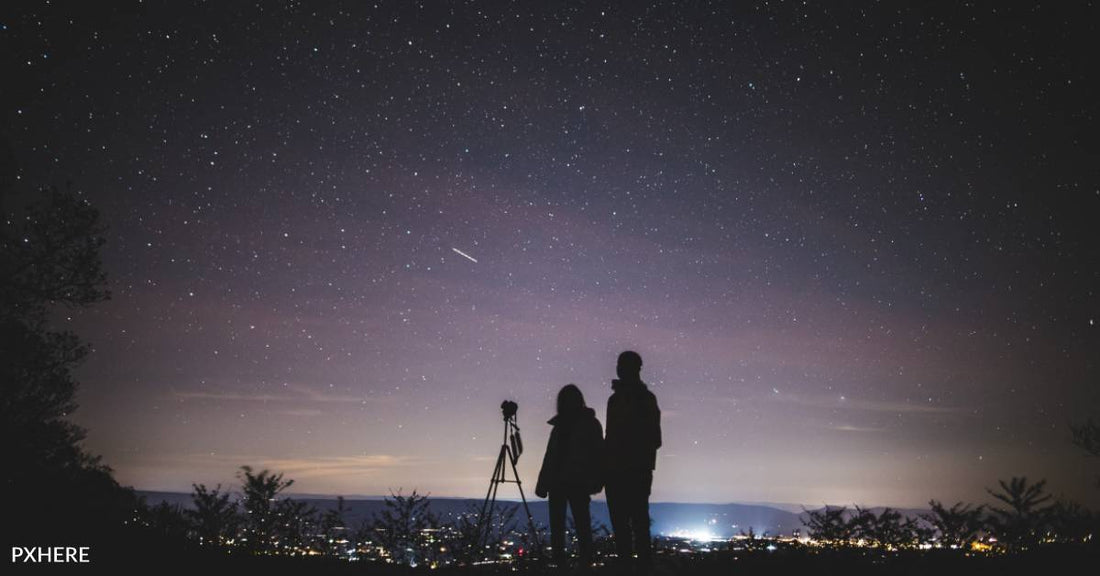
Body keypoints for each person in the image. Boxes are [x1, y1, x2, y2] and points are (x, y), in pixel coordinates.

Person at [535, 384, 604, 567]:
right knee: (566, 526)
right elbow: (550, 456)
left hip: (576, 482)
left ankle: (580, 564)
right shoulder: (568, 426)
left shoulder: (584, 425)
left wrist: (596, 480)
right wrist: (543, 483)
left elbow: (598, 454)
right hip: (563, 482)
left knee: (579, 525)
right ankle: (566, 564)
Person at [604, 350, 661, 573]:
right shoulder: (622, 399)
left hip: (629, 470)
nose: (620, 370)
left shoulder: (637, 400)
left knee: (631, 524)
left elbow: (653, 438)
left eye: (623, 366)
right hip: (630, 470)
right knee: (634, 524)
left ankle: (632, 567)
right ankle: (635, 567)